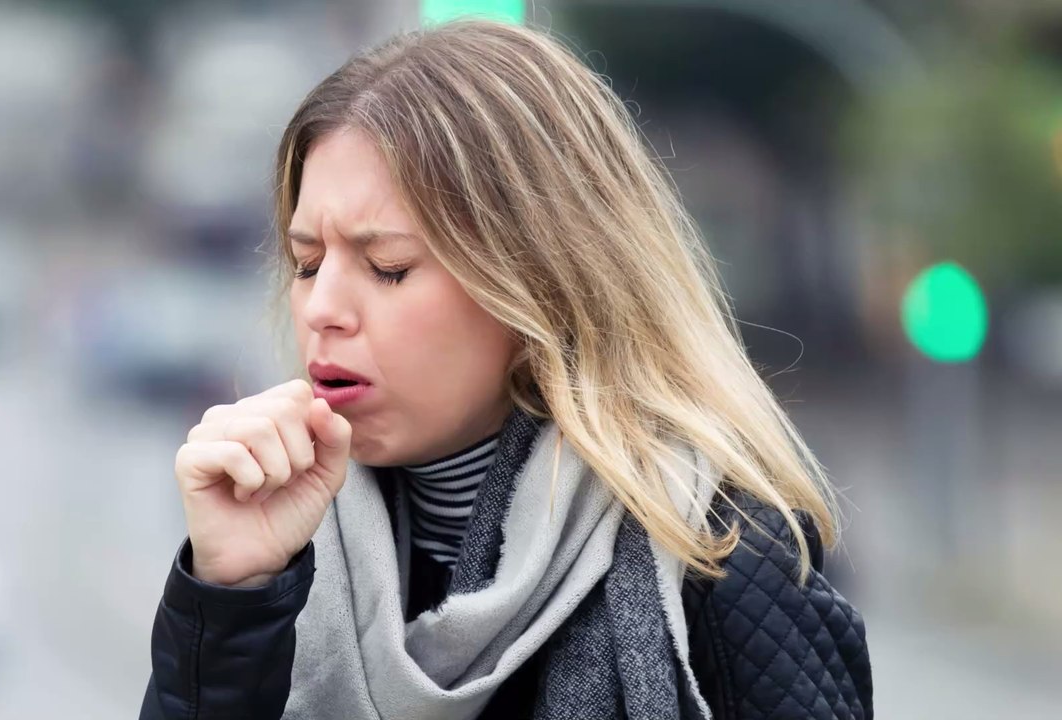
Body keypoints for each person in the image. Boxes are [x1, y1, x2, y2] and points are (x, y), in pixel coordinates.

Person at [138, 19, 871, 720]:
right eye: (307, 263)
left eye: (387, 268)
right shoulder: (279, 552)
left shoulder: (725, 556)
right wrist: (230, 598)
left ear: (538, 283)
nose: (322, 307)